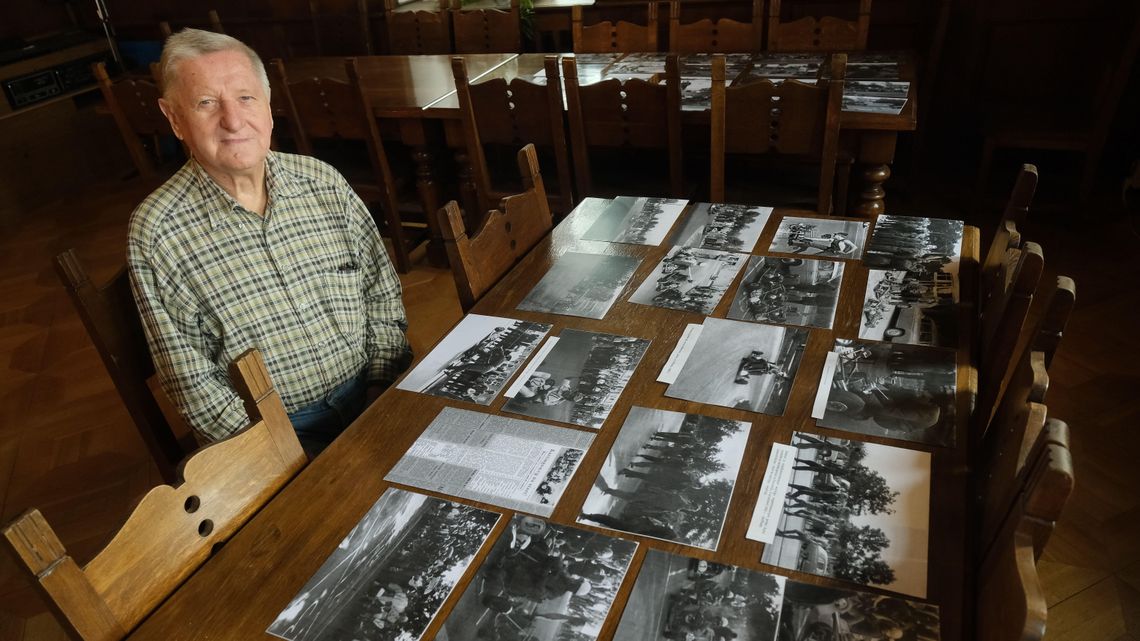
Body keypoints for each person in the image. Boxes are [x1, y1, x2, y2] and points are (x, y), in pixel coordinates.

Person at [127, 29, 411, 455]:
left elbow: (382, 296)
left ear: (269, 106)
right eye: (207, 103)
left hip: (376, 391)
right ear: (173, 119)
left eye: (246, 98)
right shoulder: (157, 233)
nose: (233, 120)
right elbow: (192, 385)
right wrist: (277, 451)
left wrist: (380, 393)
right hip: (273, 437)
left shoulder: (322, 182)